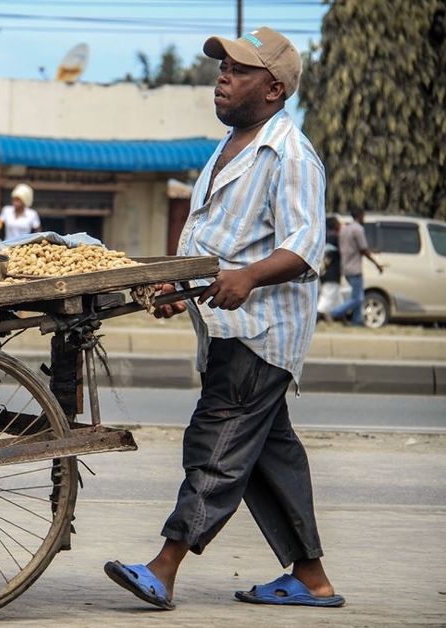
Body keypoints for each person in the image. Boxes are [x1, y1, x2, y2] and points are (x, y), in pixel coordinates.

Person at [104, 27, 344, 610]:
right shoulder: (229, 146)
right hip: (227, 330)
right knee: (268, 455)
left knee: (216, 443)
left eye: (238, 70)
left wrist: (251, 276)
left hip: (259, 335)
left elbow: (306, 245)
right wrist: (177, 288)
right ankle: (312, 578)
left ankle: (165, 566)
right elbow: (218, 245)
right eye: (223, 67)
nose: (223, 76)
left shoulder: (288, 154)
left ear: (274, 88)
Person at [328, 209, 383, 326]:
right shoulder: (358, 229)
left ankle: (357, 321)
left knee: (358, 296)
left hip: (345, 268)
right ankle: (333, 313)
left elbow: (353, 247)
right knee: (358, 298)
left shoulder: (345, 230)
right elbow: (363, 249)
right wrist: (377, 264)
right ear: (359, 215)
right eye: (363, 216)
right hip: (355, 268)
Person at [317, 216, 343, 322]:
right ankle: (315, 318)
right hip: (331, 274)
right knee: (325, 300)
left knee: (338, 299)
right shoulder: (334, 237)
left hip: (326, 274)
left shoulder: (325, 237)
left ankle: (335, 320)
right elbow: (329, 257)